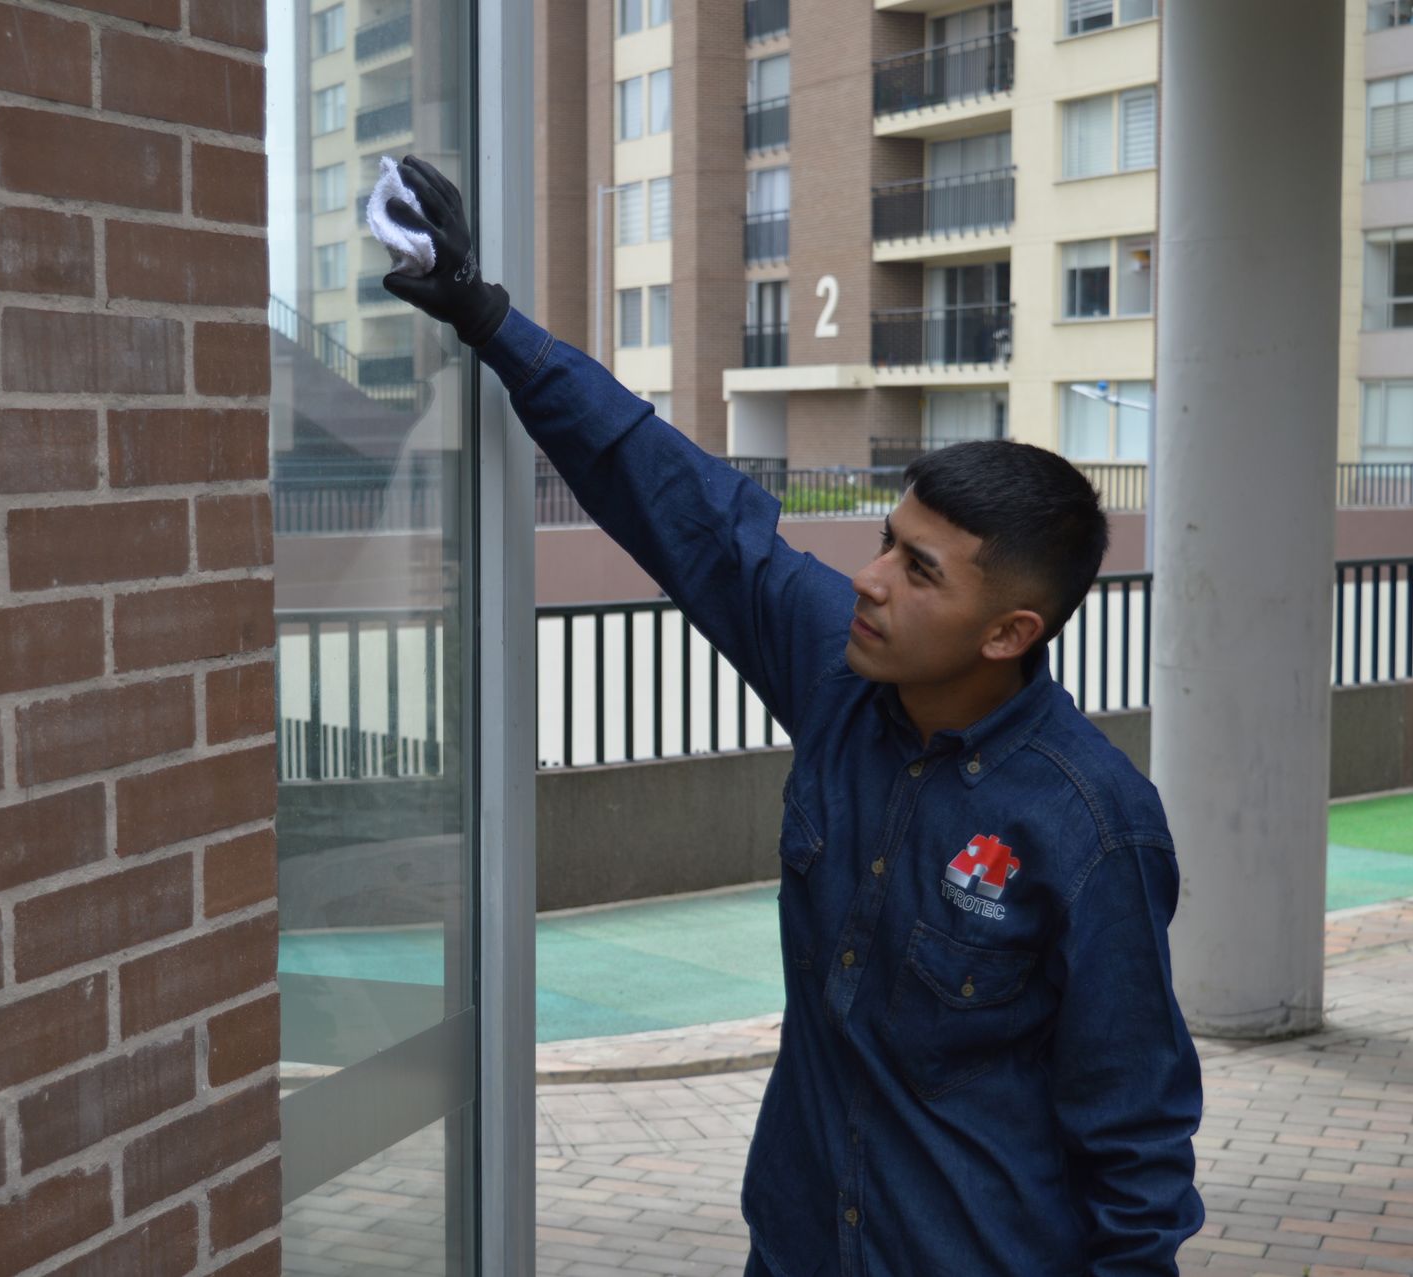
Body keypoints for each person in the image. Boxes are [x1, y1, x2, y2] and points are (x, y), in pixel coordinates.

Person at [380, 156, 1205, 1276]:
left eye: (919, 570)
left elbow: (1137, 1141)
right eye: (884, 543)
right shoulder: (842, 671)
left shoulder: (1095, 823)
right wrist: (486, 314)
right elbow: (681, 501)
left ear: (1009, 631)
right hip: (803, 1242)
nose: (869, 580)